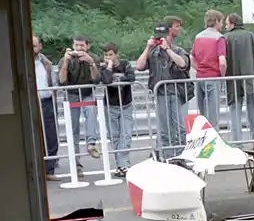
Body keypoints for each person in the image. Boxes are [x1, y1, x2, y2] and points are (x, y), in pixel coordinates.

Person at [135, 16, 192, 160]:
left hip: (177, 93)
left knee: (179, 128)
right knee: (164, 129)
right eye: (157, 37)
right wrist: (148, 47)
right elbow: (139, 66)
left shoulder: (177, 50)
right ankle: (166, 157)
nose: (160, 40)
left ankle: (179, 157)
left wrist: (168, 50)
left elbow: (183, 64)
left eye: (163, 37)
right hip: (160, 93)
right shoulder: (152, 52)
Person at [57, 34, 101, 173]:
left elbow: (96, 79)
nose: (78, 48)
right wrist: (65, 61)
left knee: (92, 114)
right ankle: (76, 165)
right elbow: (62, 81)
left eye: (82, 45)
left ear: (88, 46)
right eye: (76, 45)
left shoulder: (93, 58)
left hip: (87, 93)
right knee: (73, 130)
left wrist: (91, 63)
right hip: (72, 95)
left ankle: (91, 144)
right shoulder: (66, 59)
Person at [224, 13, 254, 150]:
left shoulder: (225, 38)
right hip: (251, 79)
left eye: (226, 23)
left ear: (232, 23)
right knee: (253, 109)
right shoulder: (251, 36)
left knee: (235, 111)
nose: (225, 26)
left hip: (232, 79)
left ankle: (237, 142)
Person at [99, 43, 136, 177]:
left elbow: (132, 77)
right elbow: (106, 80)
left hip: (125, 104)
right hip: (110, 105)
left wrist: (120, 78)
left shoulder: (125, 64)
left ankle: (123, 165)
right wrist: (109, 67)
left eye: (111, 54)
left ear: (116, 54)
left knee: (126, 134)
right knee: (115, 136)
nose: (108, 57)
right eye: (106, 55)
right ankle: (122, 165)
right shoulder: (103, 67)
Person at [191, 10, 227, 130]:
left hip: (200, 77)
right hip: (213, 77)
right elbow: (222, 62)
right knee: (213, 116)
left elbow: (192, 58)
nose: (222, 25)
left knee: (203, 114)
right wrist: (222, 76)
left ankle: (204, 141)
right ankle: (213, 143)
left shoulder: (198, 37)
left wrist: (200, 69)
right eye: (221, 22)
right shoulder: (219, 38)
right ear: (216, 21)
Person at [32, 34, 59, 179]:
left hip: (47, 101)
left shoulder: (46, 64)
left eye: (34, 45)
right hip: (31, 103)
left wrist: (54, 101)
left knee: (51, 136)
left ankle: (49, 170)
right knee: (33, 136)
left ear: (40, 47)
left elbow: (53, 83)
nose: (31, 49)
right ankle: (36, 170)